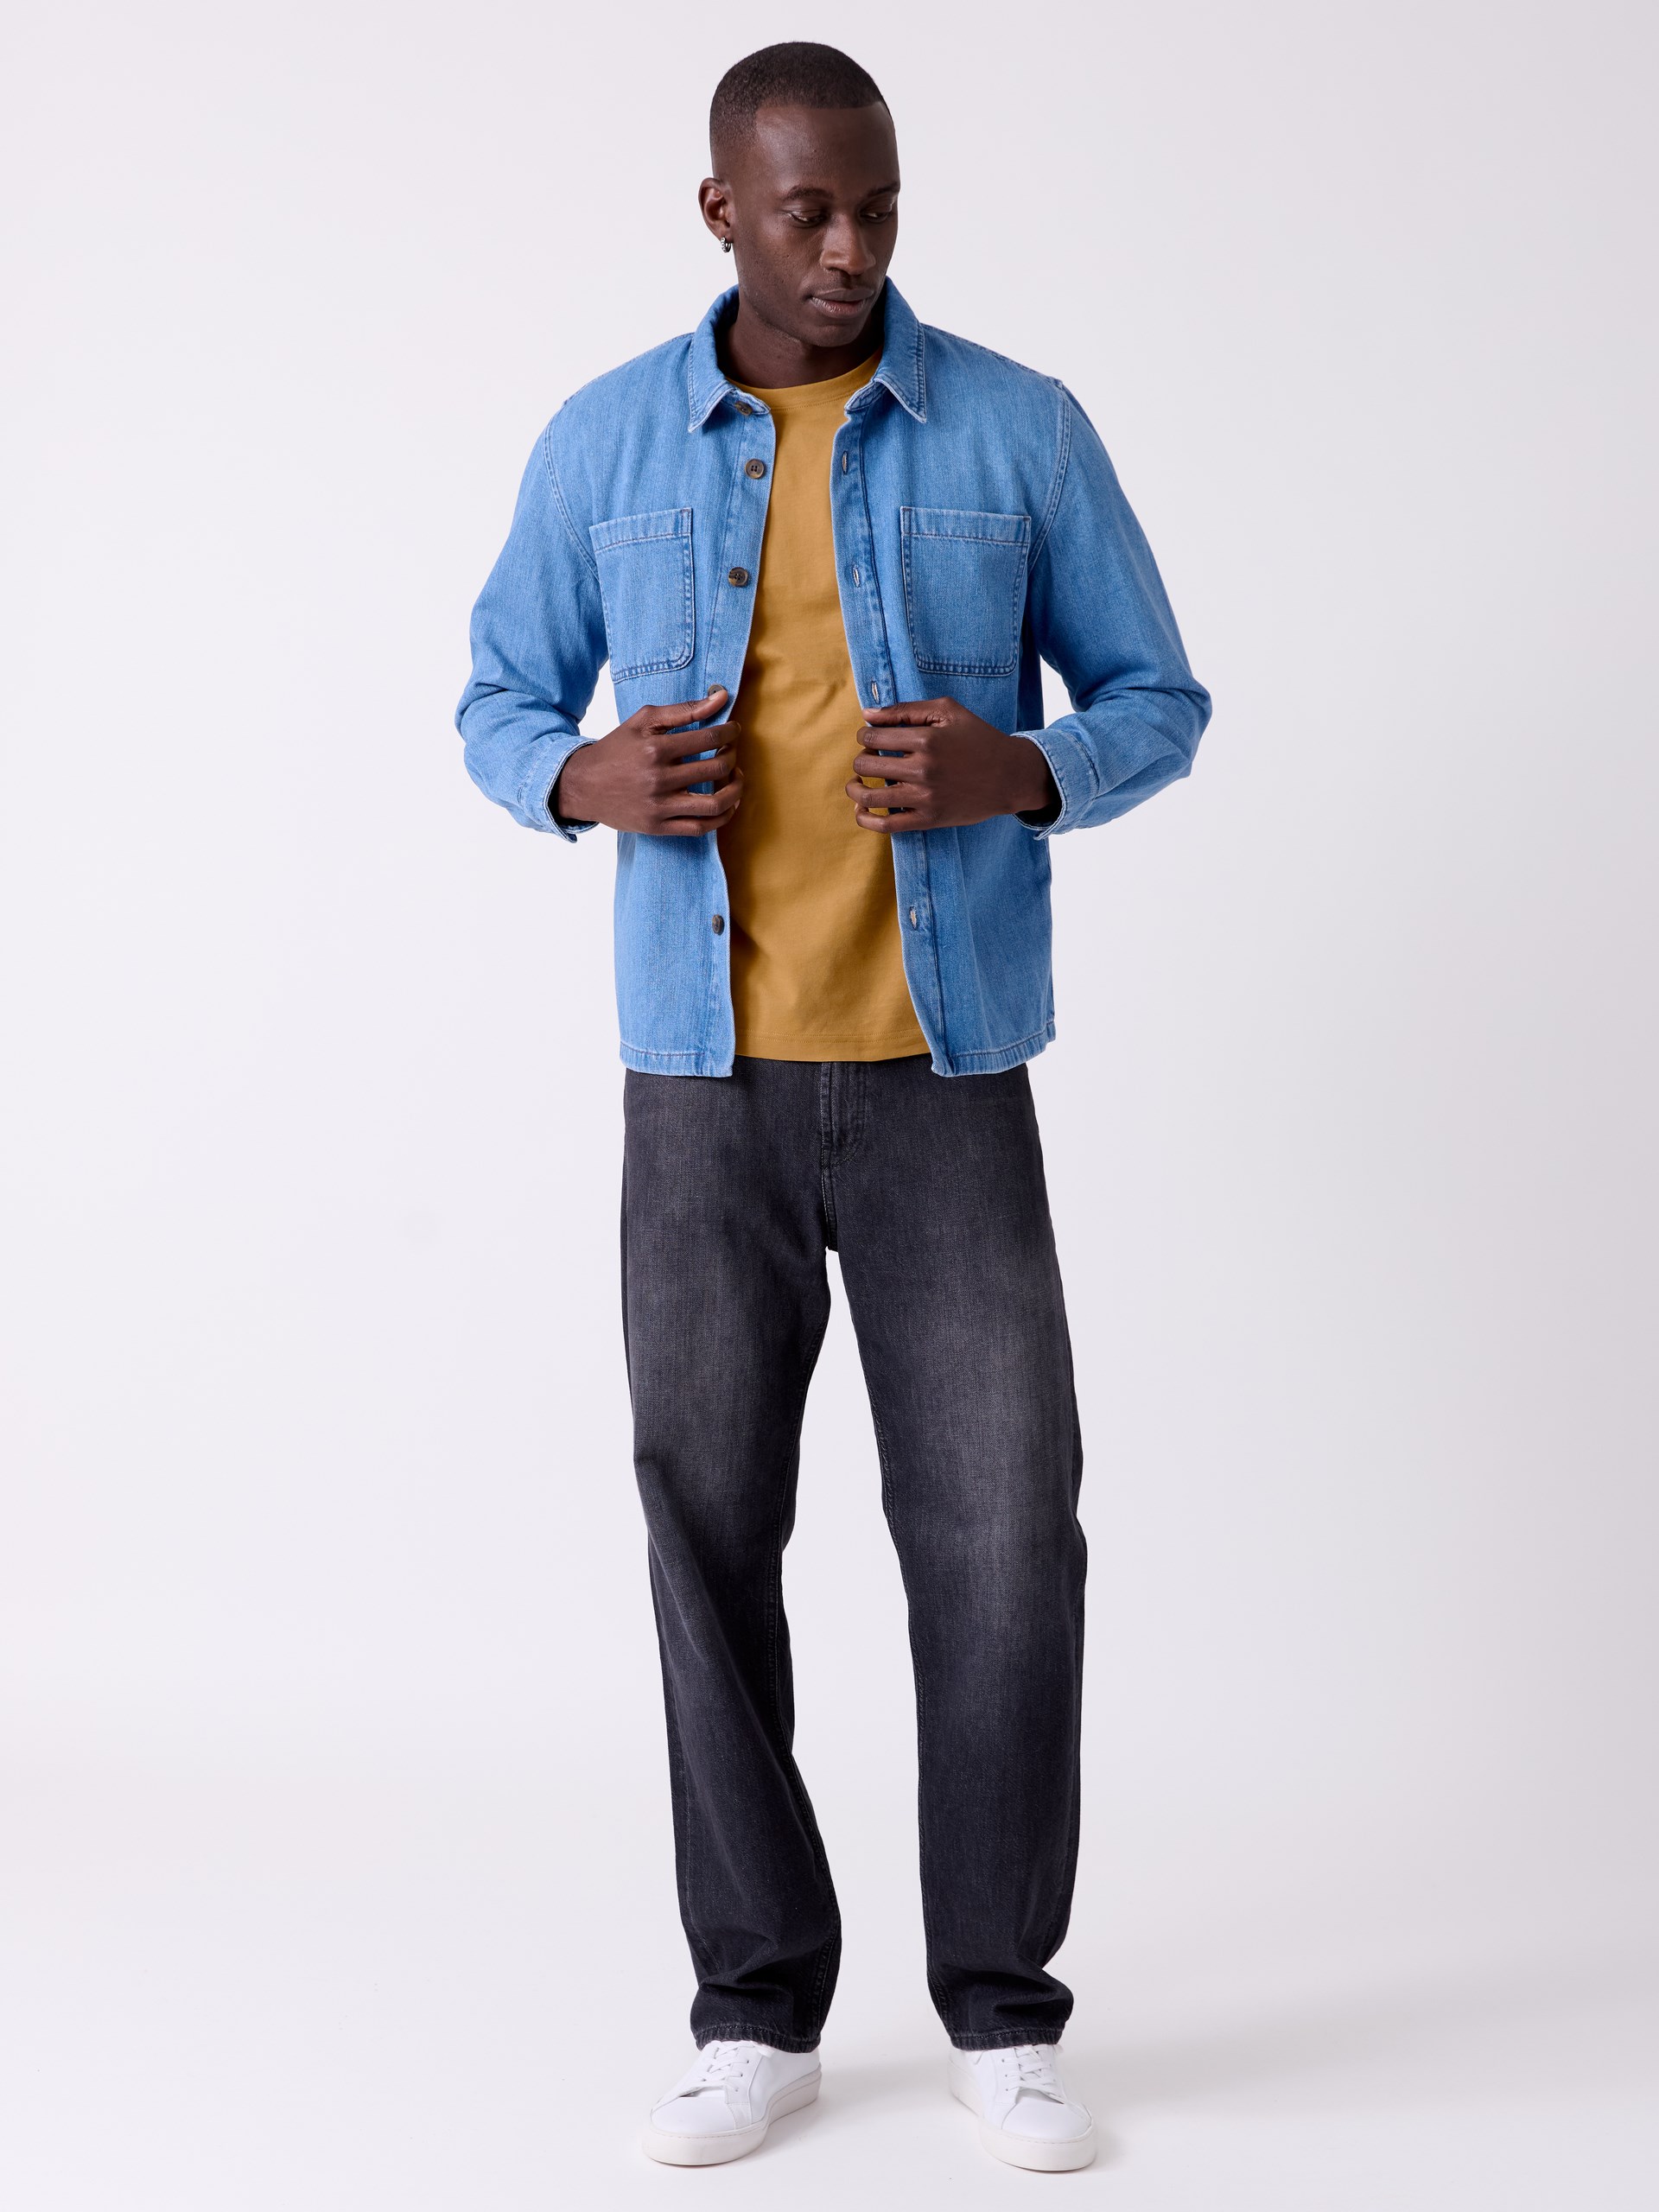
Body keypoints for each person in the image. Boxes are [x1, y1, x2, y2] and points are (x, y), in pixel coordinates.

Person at [456, 40, 1210, 2174]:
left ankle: (1003, 2008)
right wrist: (578, 773)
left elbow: (1160, 695)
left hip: (944, 1073)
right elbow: (498, 693)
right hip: (700, 1085)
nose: (852, 246)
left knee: (1003, 1530)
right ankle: (754, 2006)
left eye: (877, 205)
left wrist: (1023, 763)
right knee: (707, 1526)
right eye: (807, 211)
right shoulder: (607, 440)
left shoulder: (1018, 428)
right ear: (723, 210)